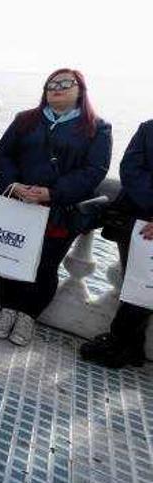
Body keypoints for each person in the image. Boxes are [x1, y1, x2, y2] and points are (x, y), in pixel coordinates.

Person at [0, 68, 112, 346]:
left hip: (58, 210)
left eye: (66, 83)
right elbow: (3, 154)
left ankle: (28, 316)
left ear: (80, 90)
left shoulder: (97, 128)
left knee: (46, 266)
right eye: (52, 84)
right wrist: (14, 183)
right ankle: (7, 310)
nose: (57, 87)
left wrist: (52, 193)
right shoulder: (25, 120)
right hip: (18, 202)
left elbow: (94, 170)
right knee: (8, 258)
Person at [80, 120, 153, 368]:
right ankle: (131, 346)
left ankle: (120, 341)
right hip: (136, 222)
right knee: (136, 283)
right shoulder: (148, 128)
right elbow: (131, 170)